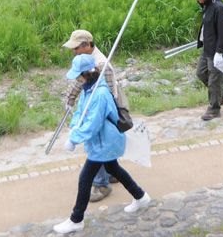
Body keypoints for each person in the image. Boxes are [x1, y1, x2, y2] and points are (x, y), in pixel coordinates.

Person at [53, 54, 150, 234]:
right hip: (100, 141)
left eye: (78, 75)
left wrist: (75, 139)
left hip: (105, 141)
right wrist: (74, 128)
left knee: (85, 178)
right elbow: (81, 112)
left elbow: (93, 123)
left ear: (86, 74)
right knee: (114, 169)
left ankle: (76, 219)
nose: (76, 79)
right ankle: (141, 196)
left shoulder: (100, 93)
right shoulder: (88, 89)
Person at [62, 29, 126, 202]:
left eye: (76, 48)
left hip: (104, 111)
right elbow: (79, 81)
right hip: (97, 108)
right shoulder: (86, 61)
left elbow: (110, 94)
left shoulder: (100, 64)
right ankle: (112, 173)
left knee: (98, 145)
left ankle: (101, 184)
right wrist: (70, 99)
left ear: (86, 45)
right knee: (103, 147)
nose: (73, 51)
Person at [194, 0, 223, 121]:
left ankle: (214, 109)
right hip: (207, 48)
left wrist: (220, 52)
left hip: (217, 51)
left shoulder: (219, 8)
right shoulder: (207, 4)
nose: (197, 0)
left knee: (214, 80)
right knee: (201, 73)